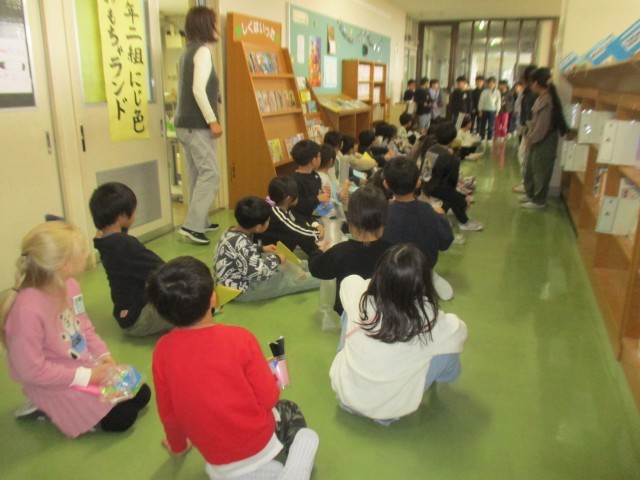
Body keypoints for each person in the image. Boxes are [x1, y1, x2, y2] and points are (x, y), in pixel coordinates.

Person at [148, 256, 318, 479]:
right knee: (295, 417)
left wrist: (178, 447)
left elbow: (168, 414)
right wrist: (268, 373)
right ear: (213, 298)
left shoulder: (162, 351)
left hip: (216, 459)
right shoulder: (239, 338)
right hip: (258, 445)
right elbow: (269, 398)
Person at [1, 221, 151, 437]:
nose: (86, 253)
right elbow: (31, 370)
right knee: (123, 417)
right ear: (64, 265)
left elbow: (84, 327)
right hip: (53, 382)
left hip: (84, 366)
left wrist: (104, 356)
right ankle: (44, 406)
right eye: (81, 250)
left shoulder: (70, 286)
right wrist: (86, 376)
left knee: (141, 394)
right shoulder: (27, 310)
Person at [330, 244, 468, 425]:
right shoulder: (430, 320)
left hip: (346, 395)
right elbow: (460, 330)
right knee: (447, 344)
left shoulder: (361, 296)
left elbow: (349, 281)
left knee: (350, 312)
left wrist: (378, 282)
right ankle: (443, 378)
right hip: (392, 409)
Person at [89, 182, 172, 337]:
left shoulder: (104, 240)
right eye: (133, 210)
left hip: (126, 314)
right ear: (122, 216)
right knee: (191, 301)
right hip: (140, 318)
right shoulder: (125, 245)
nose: (135, 214)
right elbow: (163, 269)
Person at [175, 6, 223, 245]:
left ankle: (200, 220)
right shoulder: (202, 51)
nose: (216, 27)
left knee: (197, 173)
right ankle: (192, 227)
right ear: (206, 25)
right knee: (211, 174)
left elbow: (188, 88)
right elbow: (197, 90)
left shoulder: (186, 50)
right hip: (197, 125)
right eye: (213, 23)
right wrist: (212, 120)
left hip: (183, 124)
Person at [214, 196, 320, 302]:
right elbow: (260, 272)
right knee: (288, 280)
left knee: (289, 264)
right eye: (268, 220)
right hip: (244, 290)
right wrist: (276, 259)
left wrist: (261, 249)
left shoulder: (230, 232)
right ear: (258, 227)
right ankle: (323, 276)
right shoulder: (241, 243)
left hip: (233, 282)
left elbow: (240, 252)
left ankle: (318, 266)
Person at [381, 157, 455, 301]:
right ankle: (425, 277)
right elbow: (446, 241)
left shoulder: (382, 213)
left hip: (392, 269)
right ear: (418, 183)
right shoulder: (428, 211)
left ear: (386, 184)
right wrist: (442, 217)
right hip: (423, 264)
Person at [308, 187, 391, 315]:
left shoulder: (340, 251)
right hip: (384, 312)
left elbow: (316, 269)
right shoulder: (393, 253)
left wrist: (319, 251)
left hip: (348, 314)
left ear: (350, 221)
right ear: (384, 222)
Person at [521, 68, 568, 209]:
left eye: (531, 83)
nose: (530, 86)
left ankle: (539, 200)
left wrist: (530, 139)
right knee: (531, 168)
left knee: (540, 171)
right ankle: (531, 194)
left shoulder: (547, 101)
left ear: (536, 83)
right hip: (537, 138)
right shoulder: (541, 98)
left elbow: (542, 127)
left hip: (543, 140)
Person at [423, 123, 484, 231]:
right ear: (453, 139)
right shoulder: (452, 159)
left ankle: (444, 209)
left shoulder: (431, 149)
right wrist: (460, 198)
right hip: (438, 189)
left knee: (456, 197)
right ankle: (464, 221)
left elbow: (425, 173)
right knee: (457, 198)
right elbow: (452, 184)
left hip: (426, 185)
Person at [255, 176, 323, 256]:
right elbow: (297, 230)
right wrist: (317, 232)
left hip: (284, 250)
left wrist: (315, 224)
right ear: (288, 198)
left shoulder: (285, 207)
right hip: (272, 256)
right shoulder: (277, 215)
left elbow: (300, 218)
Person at [290, 140, 330, 222]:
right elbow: (297, 205)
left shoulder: (314, 174)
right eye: (319, 156)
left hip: (318, 216)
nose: (320, 158)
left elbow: (315, 194)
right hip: (305, 221)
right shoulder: (295, 181)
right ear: (313, 160)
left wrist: (323, 192)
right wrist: (317, 199)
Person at [513, 65, 539, 194]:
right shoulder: (528, 92)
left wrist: (527, 129)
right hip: (527, 128)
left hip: (530, 129)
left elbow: (530, 114)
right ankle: (526, 183)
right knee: (524, 156)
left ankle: (527, 184)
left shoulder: (532, 94)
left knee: (524, 156)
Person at [478, 77, 500, 143]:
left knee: (491, 125)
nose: (491, 84)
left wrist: (497, 110)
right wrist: (480, 110)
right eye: (490, 83)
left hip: (492, 111)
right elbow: (481, 101)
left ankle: (489, 138)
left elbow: (498, 102)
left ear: (495, 84)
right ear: (487, 84)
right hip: (484, 110)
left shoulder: (497, 92)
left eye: (493, 83)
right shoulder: (484, 91)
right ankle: (482, 138)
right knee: (483, 125)